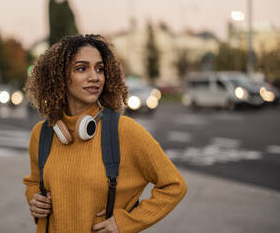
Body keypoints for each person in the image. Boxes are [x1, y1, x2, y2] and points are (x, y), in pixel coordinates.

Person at [23, 34, 187, 233]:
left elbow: (174, 185)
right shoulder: (42, 134)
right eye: (82, 68)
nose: (95, 77)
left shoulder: (124, 131)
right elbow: (33, 182)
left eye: (99, 69)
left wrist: (125, 222)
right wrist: (34, 198)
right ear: (59, 77)